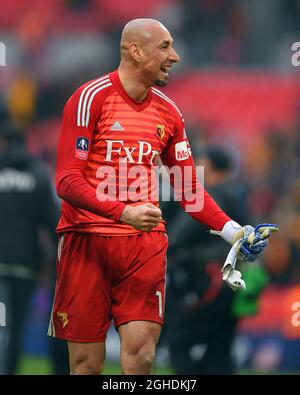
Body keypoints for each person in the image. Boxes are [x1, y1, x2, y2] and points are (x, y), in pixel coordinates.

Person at [48, 18, 278, 375]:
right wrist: (123, 213)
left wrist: (235, 231)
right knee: (85, 366)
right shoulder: (89, 99)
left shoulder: (169, 112)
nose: (176, 56)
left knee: (141, 359)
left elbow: (188, 190)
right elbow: (67, 181)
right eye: (165, 47)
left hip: (144, 246)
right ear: (136, 51)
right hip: (87, 243)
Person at [163, 146, 249, 374]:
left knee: (179, 342)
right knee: (220, 351)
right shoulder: (239, 192)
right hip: (232, 278)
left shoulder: (215, 194)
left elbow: (179, 235)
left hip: (208, 280)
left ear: (211, 168)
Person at [0, 121, 68, 374]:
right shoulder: (38, 177)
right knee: (15, 329)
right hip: (24, 266)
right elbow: (55, 223)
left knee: (1, 328)